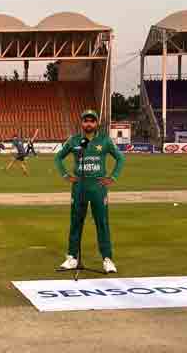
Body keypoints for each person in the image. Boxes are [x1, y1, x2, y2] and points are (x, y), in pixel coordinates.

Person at [54, 109, 125, 273]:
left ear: (96, 123)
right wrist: (65, 175)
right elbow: (58, 157)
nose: (89, 124)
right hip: (79, 187)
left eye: (92, 121)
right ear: (81, 123)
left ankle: (107, 259)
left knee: (102, 223)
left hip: (98, 187)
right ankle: (72, 257)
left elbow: (120, 158)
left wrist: (112, 177)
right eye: (86, 121)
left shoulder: (104, 140)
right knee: (75, 223)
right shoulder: (74, 140)